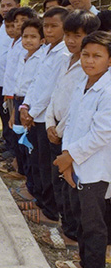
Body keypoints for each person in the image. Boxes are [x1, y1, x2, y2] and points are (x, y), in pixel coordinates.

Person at [54, 31, 111, 268]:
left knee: (94, 227)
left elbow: (101, 134)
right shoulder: (83, 83)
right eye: (85, 55)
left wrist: (68, 156)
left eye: (97, 56)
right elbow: (72, 123)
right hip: (75, 166)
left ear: (109, 60)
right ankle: (83, 261)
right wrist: (68, 161)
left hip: (95, 170)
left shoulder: (108, 90)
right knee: (80, 221)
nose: (89, 60)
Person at [44, 10, 100, 252]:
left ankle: (73, 236)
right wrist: (48, 122)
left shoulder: (90, 68)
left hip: (71, 137)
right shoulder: (64, 59)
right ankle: (68, 229)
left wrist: (59, 128)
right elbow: (56, 93)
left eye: (77, 35)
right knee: (61, 185)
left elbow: (77, 109)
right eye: (67, 35)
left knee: (74, 190)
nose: (70, 41)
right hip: (57, 129)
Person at [20, 6, 70, 226]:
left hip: (45, 118)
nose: (48, 30)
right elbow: (37, 82)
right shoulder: (47, 50)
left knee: (49, 167)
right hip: (35, 115)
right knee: (38, 162)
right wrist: (26, 106)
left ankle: (50, 211)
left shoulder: (64, 54)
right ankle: (41, 201)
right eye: (46, 26)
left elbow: (51, 90)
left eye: (53, 26)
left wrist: (32, 112)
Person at [0, 7, 37, 163]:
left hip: (26, 97)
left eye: (23, 20)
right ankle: (16, 156)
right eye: (16, 21)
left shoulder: (30, 48)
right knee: (13, 124)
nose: (18, 24)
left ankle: (19, 160)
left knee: (23, 131)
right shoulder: (14, 42)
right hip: (12, 91)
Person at [11, 18, 45, 187]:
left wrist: (29, 110)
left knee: (30, 146)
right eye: (25, 36)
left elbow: (36, 86)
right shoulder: (22, 56)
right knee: (20, 144)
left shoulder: (41, 58)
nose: (28, 40)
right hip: (18, 103)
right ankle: (25, 178)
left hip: (30, 105)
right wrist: (13, 111)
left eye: (33, 37)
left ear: (42, 40)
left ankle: (31, 185)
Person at [0, 0, 20, 154]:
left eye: (9, 5)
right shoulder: (3, 27)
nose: (5, 9)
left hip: (12, 85)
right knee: (4, 116)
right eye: (2, 6)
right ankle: (7, 143)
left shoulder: (20, 29)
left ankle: (13, 150)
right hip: (0, 81)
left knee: (12, 118)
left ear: (18, 6)